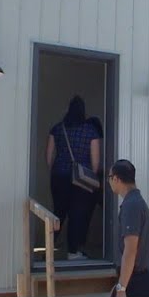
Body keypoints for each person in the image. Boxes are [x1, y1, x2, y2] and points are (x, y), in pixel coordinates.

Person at [46, 95, 101, 260]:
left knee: (58, 212)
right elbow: (95, 159)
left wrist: (55, 170)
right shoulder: (91, 131)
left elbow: (48, 154)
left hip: (59, 176)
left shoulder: (57, 128)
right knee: (78, 214)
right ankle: (73, 251)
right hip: (82, 179)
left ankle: (48, 248)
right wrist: (91, 174)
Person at [108, 159, 149, 297]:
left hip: (134, 281)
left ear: (116, 179)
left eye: (109, 178)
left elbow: (130, 250)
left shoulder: (132, 205)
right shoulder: (136, 202)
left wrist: (122, 287)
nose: (109, 182)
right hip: (133, 278)